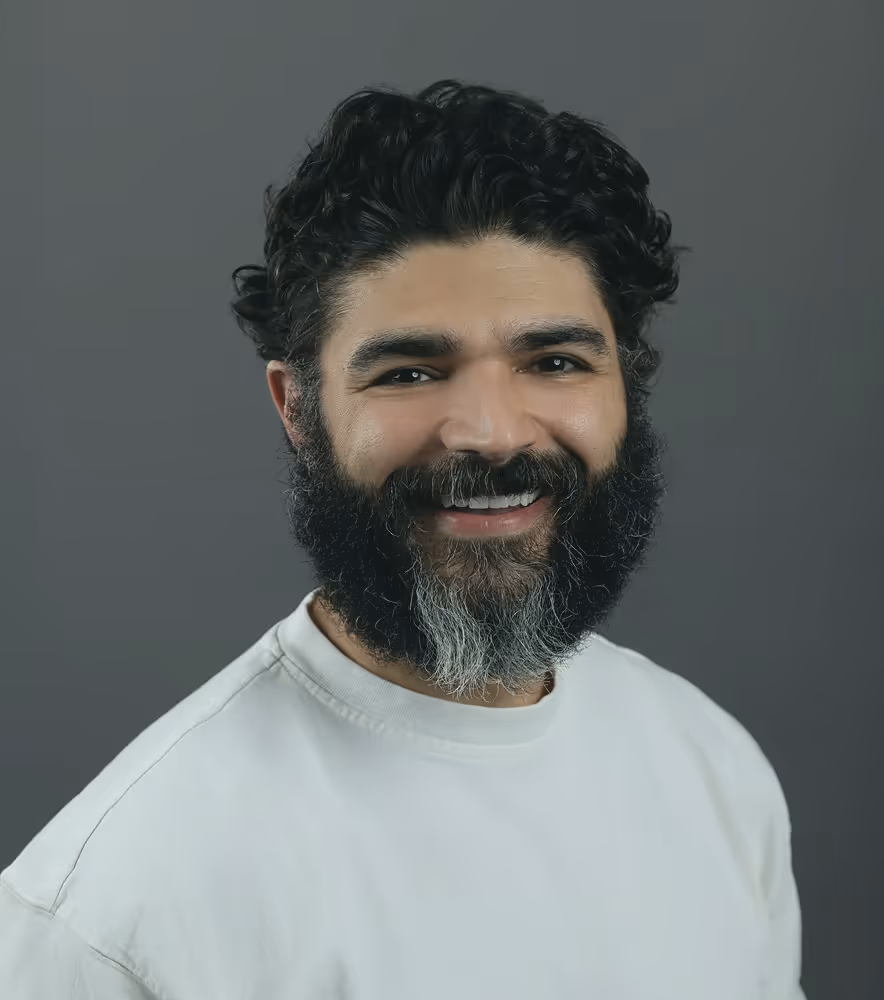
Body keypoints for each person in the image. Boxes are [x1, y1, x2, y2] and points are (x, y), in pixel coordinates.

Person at [0, 79, 806, 998]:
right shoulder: (115, 914)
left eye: (554, 362)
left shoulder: (714, 770)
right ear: (299, 410)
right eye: (411, 369)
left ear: (627, 384)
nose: (493, 433)